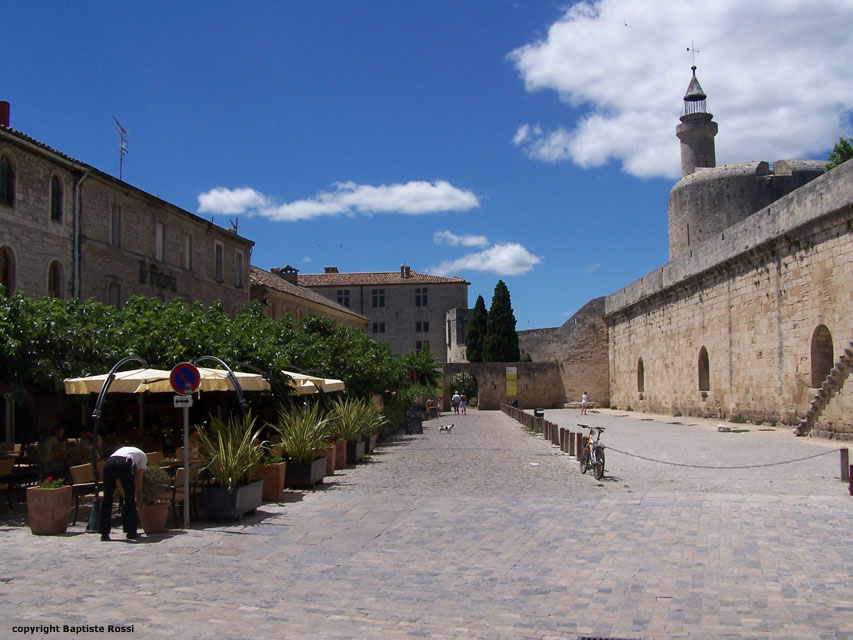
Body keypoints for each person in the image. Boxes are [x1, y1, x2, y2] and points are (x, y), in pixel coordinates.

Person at [100, 445, 147, 541]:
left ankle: (104, 533)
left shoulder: (121, 451)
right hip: (124, 463)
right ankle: (131, 532)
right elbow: (139, 478)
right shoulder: (143, 456)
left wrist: (124, 494)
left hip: (109, 464)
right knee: (130, 499)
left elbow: (117, 479)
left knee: (107, 499)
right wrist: (138, 498)